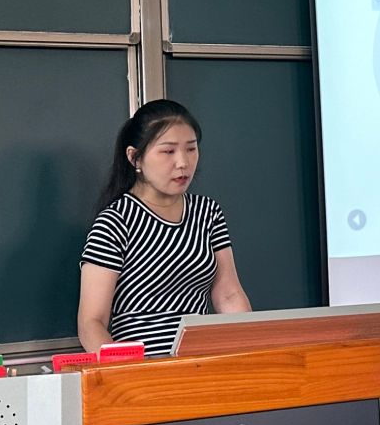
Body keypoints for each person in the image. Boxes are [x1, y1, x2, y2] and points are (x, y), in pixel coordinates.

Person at [77, 99, 252, 356]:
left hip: (202, 362)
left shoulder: (208, 212)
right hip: (142, 368)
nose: (183, 162)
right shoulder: (116, 221)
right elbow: (91, 323)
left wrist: (250, 349)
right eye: (168, 151)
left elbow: (228, 295)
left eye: (191, 149)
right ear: (134, 157)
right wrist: (127, 370)